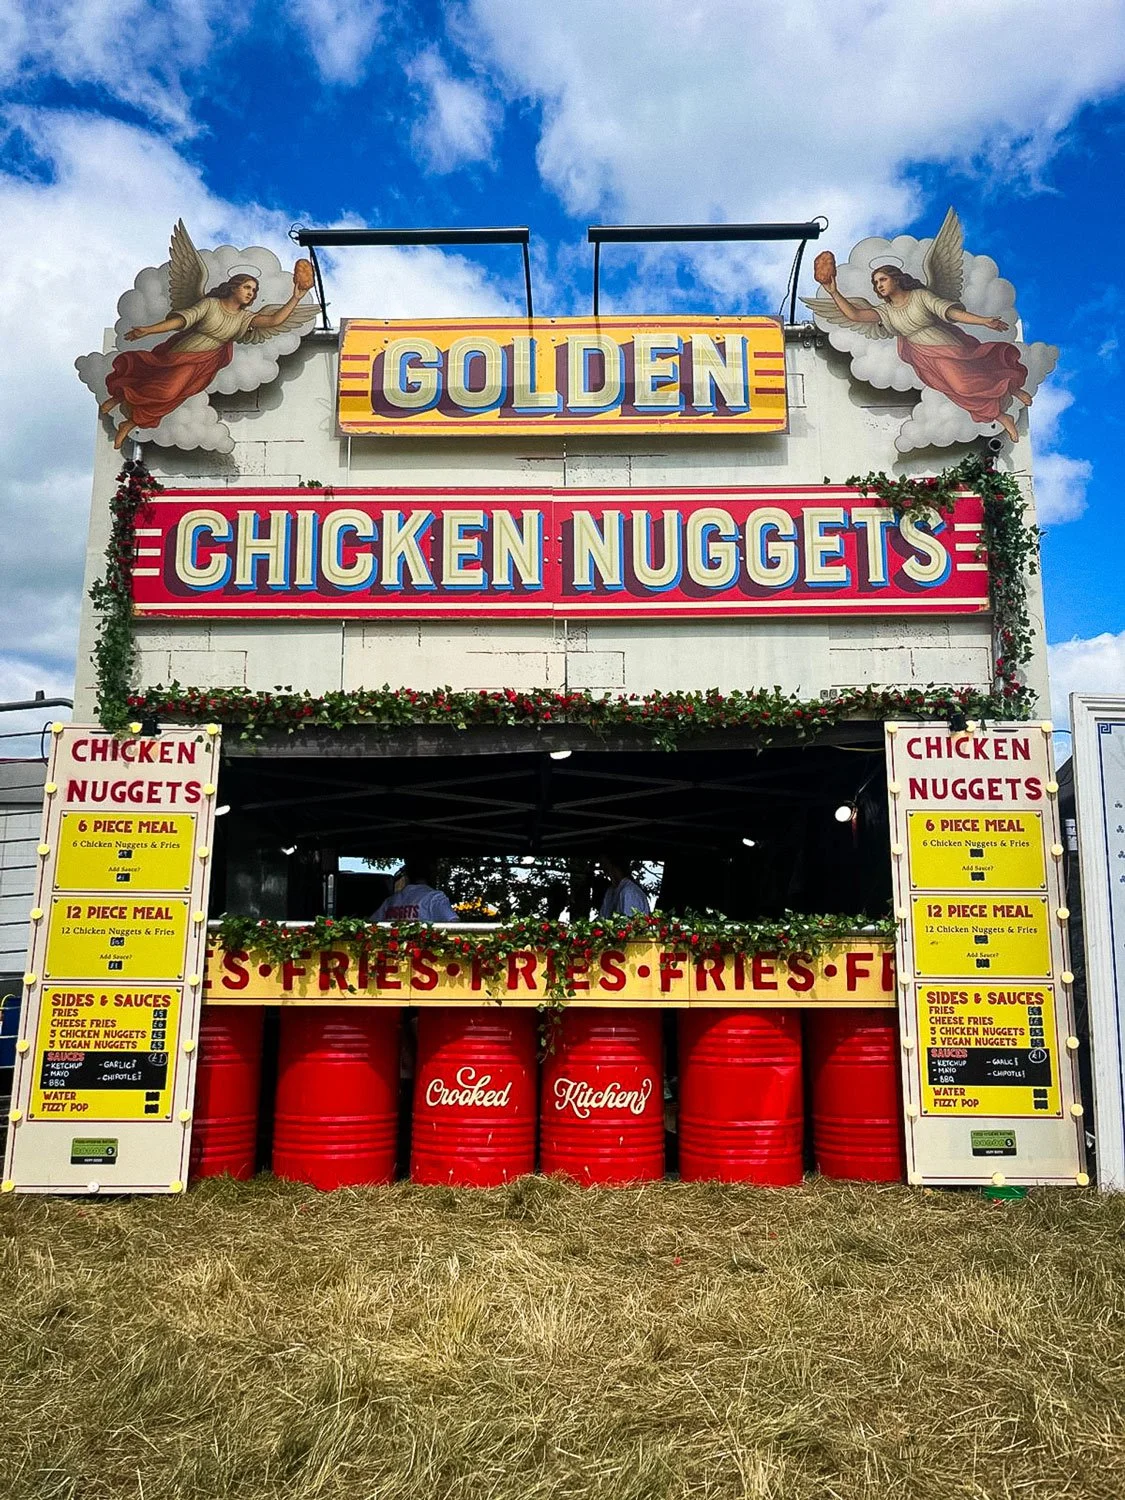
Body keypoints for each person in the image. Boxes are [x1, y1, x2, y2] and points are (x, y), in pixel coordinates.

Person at [99, 220, 316, 449]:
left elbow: (274, 320)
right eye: (247, 288)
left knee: (173, 397)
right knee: (162, 385)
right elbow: (180, 321)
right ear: (234, 286)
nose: (251, 294)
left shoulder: (245, 318)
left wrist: (297, 297)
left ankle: (129, 423)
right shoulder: (210, 304)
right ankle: (120, 396)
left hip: (205, 364)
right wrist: (148, 330)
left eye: (254, 291)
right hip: (184, 352)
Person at [371, 858, 458, 924]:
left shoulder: (390, 901)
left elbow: (370, 925)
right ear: (431, 874)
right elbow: (455, 925)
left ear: (407, 875)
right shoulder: (435, 898)